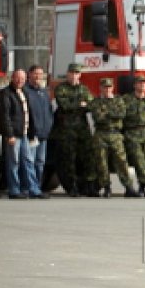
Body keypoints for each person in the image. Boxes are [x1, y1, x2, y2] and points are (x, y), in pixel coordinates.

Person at [89, 78, 140, 198]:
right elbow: (97, 117)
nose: (107, 90)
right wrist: (112, 112)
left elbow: (121, 114)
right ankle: (106, 188)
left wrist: (105, 112)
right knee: (102, 163)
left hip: (115, 134)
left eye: (109, 87)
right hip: (101, 134)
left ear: (112, 88)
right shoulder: (96, 102)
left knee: (121, 161)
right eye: (104, 87)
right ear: (100, 88)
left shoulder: (119, 100)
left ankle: (129, 187)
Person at [0, 69, 44, 199]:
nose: (20, 81)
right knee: (14, 162)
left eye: (23, 78)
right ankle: (14, 190)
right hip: (14, 135)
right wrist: (9, 135)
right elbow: (5, 116)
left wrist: (32, 132)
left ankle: (34, 190)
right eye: (18, 78)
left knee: (28, 161)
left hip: (24, 134)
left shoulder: (24, 92)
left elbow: (29, 113)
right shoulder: (6, 94)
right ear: (12, 78)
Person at [54, 63, 96, 197]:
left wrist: (80, 105)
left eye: (76, 73)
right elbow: (64, 106)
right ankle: (71, 186)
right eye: (71, 73)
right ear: (67, 74)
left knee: (88, 156)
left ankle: (89, 185)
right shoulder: (61, 88)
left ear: (80, 75)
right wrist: (80, 104)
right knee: (69, 158)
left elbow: (91, 105)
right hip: (67, 128)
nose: (74, 75)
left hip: (82, 127)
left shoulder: (83, 88)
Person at [123, 75, 145, 197]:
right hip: (132, 133)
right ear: (134, 85)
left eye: (144, 83)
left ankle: (142, 188)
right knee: (139, 160)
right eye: (139, 83)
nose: (142, 85)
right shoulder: (127, 100)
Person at [24, 64, 54, 197]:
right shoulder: (25, 91)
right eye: (35, 74)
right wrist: (30, 130)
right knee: (29, 161)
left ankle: (37, 187)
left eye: (40, 74)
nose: (38, 77)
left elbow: (48, 111)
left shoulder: (43, 92)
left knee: (40, 163)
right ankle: (29, 188)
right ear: (29, 74)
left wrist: (49, 127)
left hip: (43, 135)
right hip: (32, 134)